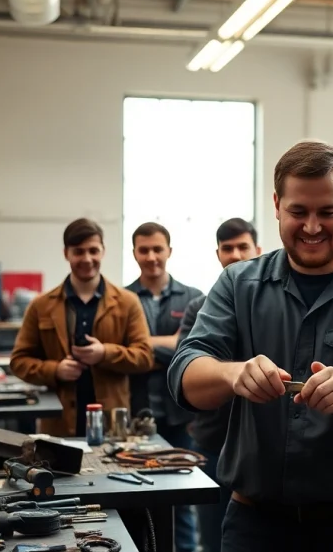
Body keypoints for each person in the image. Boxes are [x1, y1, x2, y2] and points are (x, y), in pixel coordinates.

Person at [167, 140, 333, 552]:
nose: (311, 227)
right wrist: (233, 374)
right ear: (276, 205)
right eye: (298, 211)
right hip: (254, 528)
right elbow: (186, 375)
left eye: (327, 212)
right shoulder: (237, 285)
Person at [11, 218, 153, 437]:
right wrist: (56, 370)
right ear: (66, 253)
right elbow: (19, 362)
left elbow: (145, 357)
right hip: (59, 425)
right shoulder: (41, 305)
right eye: (78, 251)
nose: (87, 259)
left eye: (93, 251)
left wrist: (104, 353)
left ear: (103, 251)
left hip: (112, 427)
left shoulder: (127, 303)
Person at [176, 217, 262, 552]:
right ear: (218, 254)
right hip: (212, 443)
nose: (235, 254)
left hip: (263, 448)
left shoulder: (276, 306)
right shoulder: (199, 308)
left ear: (258, 250)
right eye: (228, 248)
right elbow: (185, 369)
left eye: (243, 247)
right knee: (212, 539)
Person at [125, 221, 205, 552]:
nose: (151, 256)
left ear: (169, 251)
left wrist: (140, 347)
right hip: (135, 416)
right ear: (134, 253)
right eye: (144, 250)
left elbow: (188, 349)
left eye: (157, 249)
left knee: (181, 498)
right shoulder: (122, 298)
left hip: (180, 417)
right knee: (134, 498)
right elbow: (121, 352)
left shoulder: (193, 298)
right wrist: (168, 346)